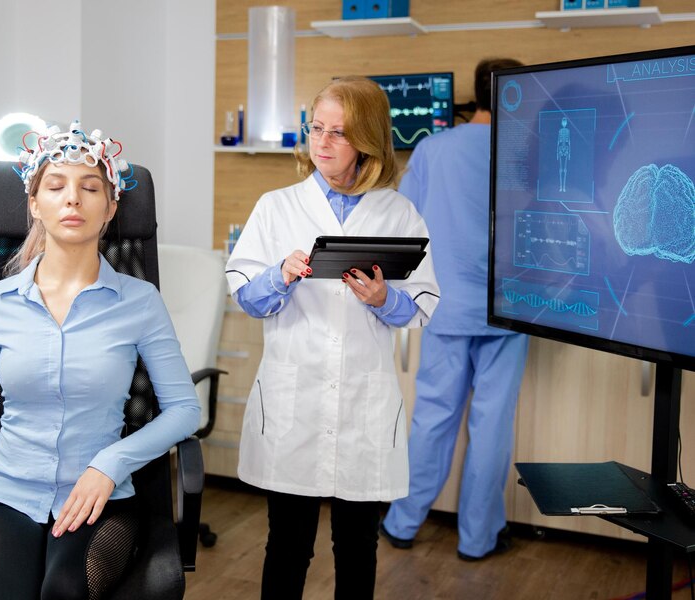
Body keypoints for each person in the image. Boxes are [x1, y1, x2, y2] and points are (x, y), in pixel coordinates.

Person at [0, 122, 201, 600]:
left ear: (110, 208)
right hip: (6, 493)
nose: (73, 199)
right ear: (34, 204)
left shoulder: (140, 301)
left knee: (63, 592)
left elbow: (184, 410)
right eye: (56, 186)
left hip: (100, 498)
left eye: (90, 188)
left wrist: (110, 463)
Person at [226, 76, 439, 600]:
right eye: (316, 128)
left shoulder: (398, 213)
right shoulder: (277, 207)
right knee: (288, 544)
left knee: (358, 545)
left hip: (363, 402)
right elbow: (246, 296)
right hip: (294, 398)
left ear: (367, 140)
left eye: (338, 133)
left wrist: (383, 299)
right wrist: (279, 275)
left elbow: (421, 306)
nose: (322, 142)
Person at [379, 58, 529, 562]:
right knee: (491, 428)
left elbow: (404, 222)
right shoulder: (527, 151)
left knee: (432, 418)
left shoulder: (433, 148)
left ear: (477, 93)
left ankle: (401, 523)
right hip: (511, 310)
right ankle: (478, 539)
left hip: (446, 309)